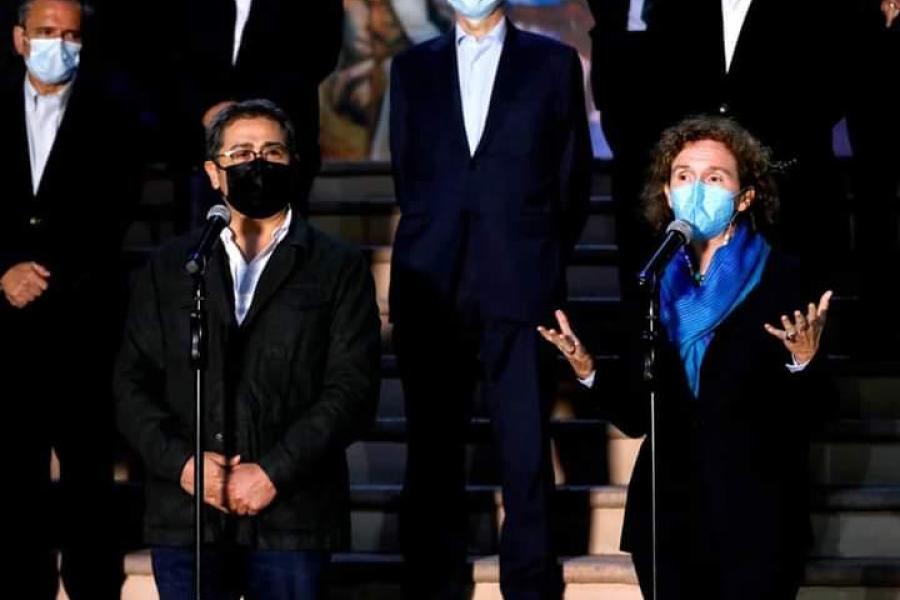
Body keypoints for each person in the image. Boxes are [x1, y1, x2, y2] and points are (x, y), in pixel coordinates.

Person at [539, 116, 835, 599]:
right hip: (667, 519)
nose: (697, 188)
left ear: (745, 197)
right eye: (684, 176)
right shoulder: (652, 283)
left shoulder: (783, 277)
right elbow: (636, 416)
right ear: (667, 191)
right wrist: (589, 372)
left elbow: (820, 411)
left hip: (756, 517)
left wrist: (805, 361)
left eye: (715, 178)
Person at [114, 99, 381, 600]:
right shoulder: (173, 267)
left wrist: (271, 472)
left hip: (292, 516)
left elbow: (352, 391)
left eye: (271, 152)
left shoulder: (337, 267)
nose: (257, 163)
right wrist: (186, 465)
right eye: (241, 153)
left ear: (293, 165)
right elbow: (131, 384)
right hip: (188, 513)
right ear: (215, 173)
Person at [389, 1, 592, 598]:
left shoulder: (552, 63)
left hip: (521, 277)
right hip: (431, 279)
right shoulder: (410, 68)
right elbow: (409, 171)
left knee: (526, 445)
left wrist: (537, 253)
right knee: (431, 445)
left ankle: (529, 581)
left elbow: (572, 175)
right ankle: (433, 580)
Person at [0, 0, 141, 596]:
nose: (61, 44)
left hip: (84, 327)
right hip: (4, 330)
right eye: (47, 32)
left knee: (89, 489)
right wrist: (2, 271)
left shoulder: (116, 113)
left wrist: (47, 272)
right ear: (19, 39)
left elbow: (114, 212)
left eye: (72, 35)